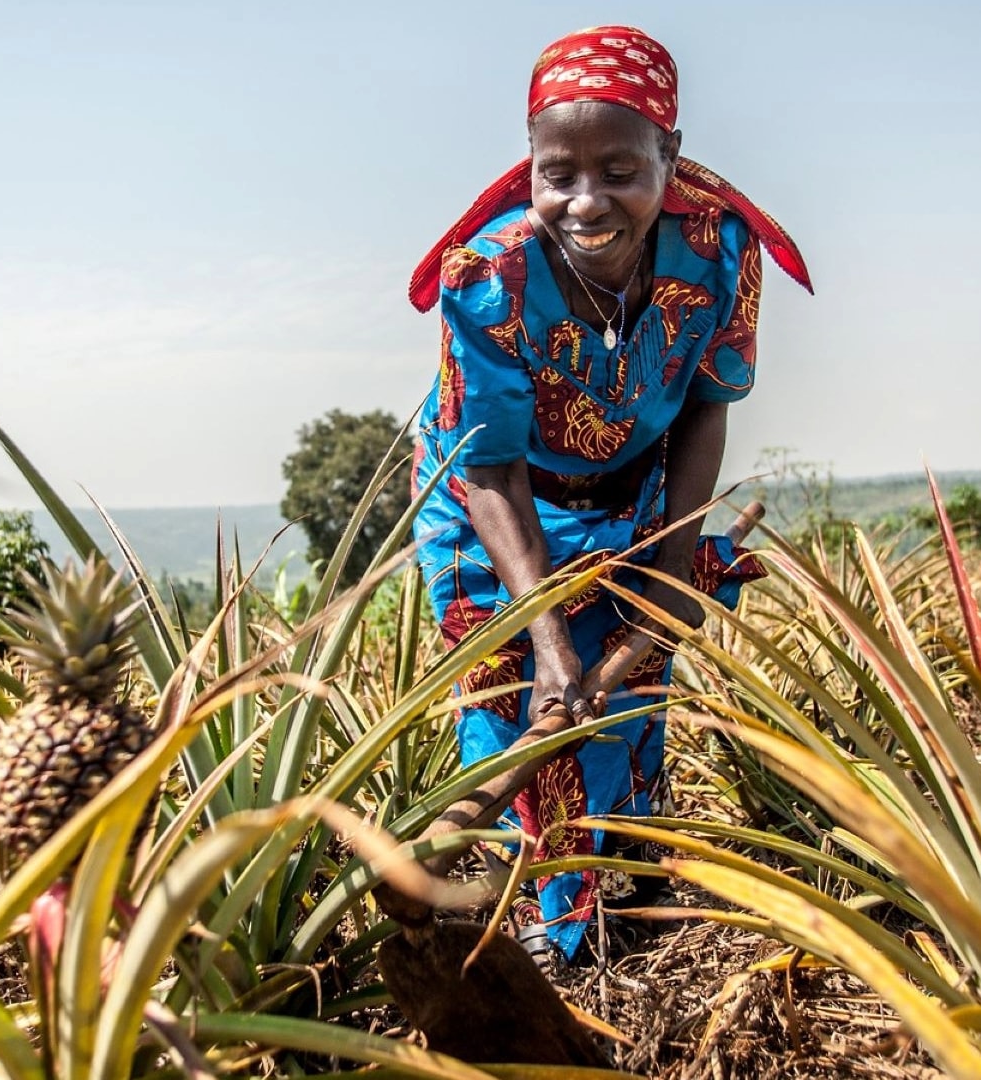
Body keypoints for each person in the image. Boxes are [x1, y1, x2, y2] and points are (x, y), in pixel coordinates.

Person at [405, 25, 812, 963]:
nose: (586, 202)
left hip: (641, 488)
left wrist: (673, 565)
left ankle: (629, 871)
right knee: (518, 698)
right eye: (559, 173)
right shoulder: (492, 277)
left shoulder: (719, 249)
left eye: (621, 169)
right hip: (494, 506)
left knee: (633, 675)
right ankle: (545, 927)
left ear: (670, 158)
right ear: (532, 169)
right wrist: (545, 634)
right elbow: (489, 465)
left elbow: (707, 405)